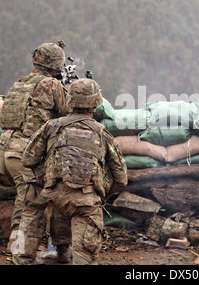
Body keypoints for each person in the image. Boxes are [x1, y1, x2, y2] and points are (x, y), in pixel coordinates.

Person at [19, 78, 128, 265]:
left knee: (59, 205)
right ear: (95, 104)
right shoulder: (102, 133)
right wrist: (102, 194)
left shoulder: (52, 126)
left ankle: (58, 253)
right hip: (85, 201)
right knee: (85, 252)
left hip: (55, 195)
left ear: (70, 101)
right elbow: (121, 178)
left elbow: (28, 159)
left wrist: (47, 179)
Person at [0, 42, 70, 253]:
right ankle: (23, 252)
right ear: (57, 66)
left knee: (24, 198)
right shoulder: (51, 84)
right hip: (24, 154)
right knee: (34, 205)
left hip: (5, 150)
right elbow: (70, 111)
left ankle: (14, 246)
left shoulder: (20, 83)